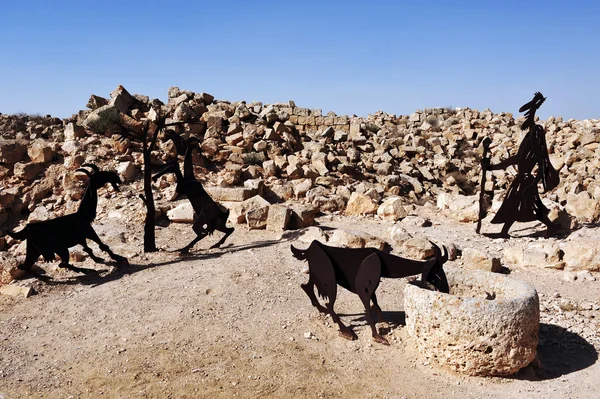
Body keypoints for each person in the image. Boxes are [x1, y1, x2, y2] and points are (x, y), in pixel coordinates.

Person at [485, 92, 560, 238]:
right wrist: (492, 167)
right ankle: (504, 232)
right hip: (522, 178)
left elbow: (541, 158)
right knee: (514, 203)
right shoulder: (530, 134)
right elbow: (517, 158)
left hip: (527, 180)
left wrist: (536, 181)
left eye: (530, 112)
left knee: (529, 205)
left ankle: (551, 226)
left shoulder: (537, 132)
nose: (526, 116)